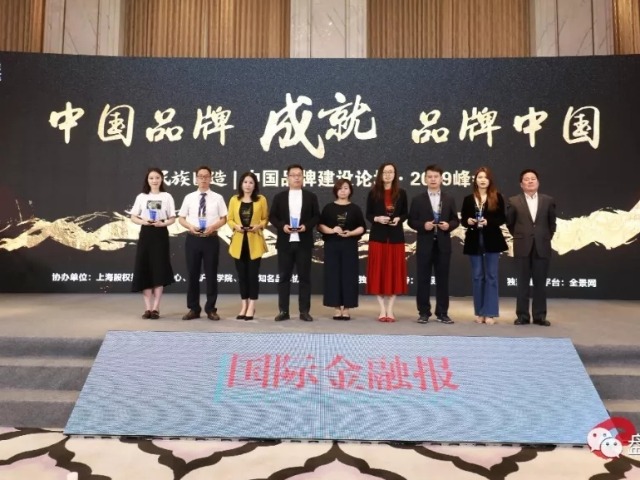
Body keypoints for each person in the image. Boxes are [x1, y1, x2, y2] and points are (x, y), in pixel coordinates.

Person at [408, 164, 459, 324]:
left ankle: (442, 313)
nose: (433, 179)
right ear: (425, 179)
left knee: (442, 280)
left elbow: (455, 220)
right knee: (423, 279)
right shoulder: (418, 199)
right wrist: (423, 225)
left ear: (441, 179)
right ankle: (424, 312)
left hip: (443, 244)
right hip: (425, 243)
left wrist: (448, 226)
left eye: (436, 176)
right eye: (429, 176)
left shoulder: (449, 199)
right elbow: (411, 221)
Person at [269, 164, 320, 322]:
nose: (296, 178)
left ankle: (304, 311)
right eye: (293, 175)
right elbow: (272, 217)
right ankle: (283, 311)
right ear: (288, 178)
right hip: (285, 242)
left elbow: (316, 216)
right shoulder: (279, 197)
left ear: (303, 177)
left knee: (304, 278)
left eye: (299, 175)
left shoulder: (311, 196)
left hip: (303, 242)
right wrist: (282, 226)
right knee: (284, 278)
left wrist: (306, 226)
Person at [506, 168, 556, 326]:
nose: (530, 181)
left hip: (542, 246)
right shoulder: (514, 201)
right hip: (522, 246)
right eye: (526, 179)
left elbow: (552, 224)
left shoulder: (548, 200)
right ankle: (522, 316)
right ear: (521, 184)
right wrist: (522, 236)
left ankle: (540, 316)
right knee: (522, 283)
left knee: (540, 284)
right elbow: (510, 224)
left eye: (533, 178)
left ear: (538, 182)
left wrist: (543, 237)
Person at [178, 165, 228, 321]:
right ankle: (194, 308)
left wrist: (213, 226)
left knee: (211, 275)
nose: (203, 179)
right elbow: (181, 218)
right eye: (200, 176)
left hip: (211, 239)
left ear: (211, 178)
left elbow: (224, 218)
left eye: (206, 176)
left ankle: (211, 309)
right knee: (193, 274)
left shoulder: (218, 198)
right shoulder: (189, 197)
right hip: (193, 239)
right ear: (196, 179)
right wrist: (190, 226)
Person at [460, 166, 508, 325]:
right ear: (475, 180)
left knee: (491, 276)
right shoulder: (468, 199)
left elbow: (502, 218)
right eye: (479, 177)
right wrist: (468, 221)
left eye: (485, 177)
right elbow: (463, 219)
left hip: (492, 240)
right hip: (474, 240)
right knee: (477, 276)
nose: (482, 180)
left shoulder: (497, 197)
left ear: (489, 180)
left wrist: (489, 222)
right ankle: (479, 312)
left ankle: (490, 313)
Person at [130, 168, 177, 319]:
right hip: (146, 233)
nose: (154, 180)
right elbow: (133, 217)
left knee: (159, 269)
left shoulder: (167, 196)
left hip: (160, 234)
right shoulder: (142, 197)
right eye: (151, 178)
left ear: (161, 179)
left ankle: (156, 307)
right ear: (147, 180)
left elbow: (172, 218)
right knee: (146, 269)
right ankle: (147, 308)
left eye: (157, 177)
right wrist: (144, 221)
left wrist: (163, 223)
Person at [318, 179, 366, 320]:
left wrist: (351, 233)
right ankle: (336, 307)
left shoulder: (355, 208)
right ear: (335, 191)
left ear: (350, 190)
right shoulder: (329, 208)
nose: (343, 191)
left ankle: (347, 308)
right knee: (333, 276)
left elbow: (362, 227)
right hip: (332, 245)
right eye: (340, 188)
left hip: (349, 245)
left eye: (346, 188)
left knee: (349, 276)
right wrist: (332, 230)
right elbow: (320, 226)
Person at [366, 162, 408, 322]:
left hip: (396, 238)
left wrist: (399, 219)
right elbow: (368, 214)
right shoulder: (373, 193)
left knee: (394, 273)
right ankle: (382, 309)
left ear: (395, 175)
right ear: (380, 174)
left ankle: (390, 309)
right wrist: (377, 218)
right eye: (385, 172)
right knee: (378, 273)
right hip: (378, 237)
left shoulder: (401, 193)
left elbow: (405, 213)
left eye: (391, 172)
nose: (388, 175)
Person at [227, 172, 269, 320]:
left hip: (254, 242)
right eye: (245, 182)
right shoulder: (234, 199)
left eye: (251, 182)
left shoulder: (261, 199)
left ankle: (252, 305)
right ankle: (244, 305)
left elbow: (265, 219)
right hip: (238, 243)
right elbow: (229, 219)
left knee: (252, 275)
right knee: (242, 276)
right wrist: (235, 226)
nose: (248, 185)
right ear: (241, 184)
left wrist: (258, 226)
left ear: (255, 185)